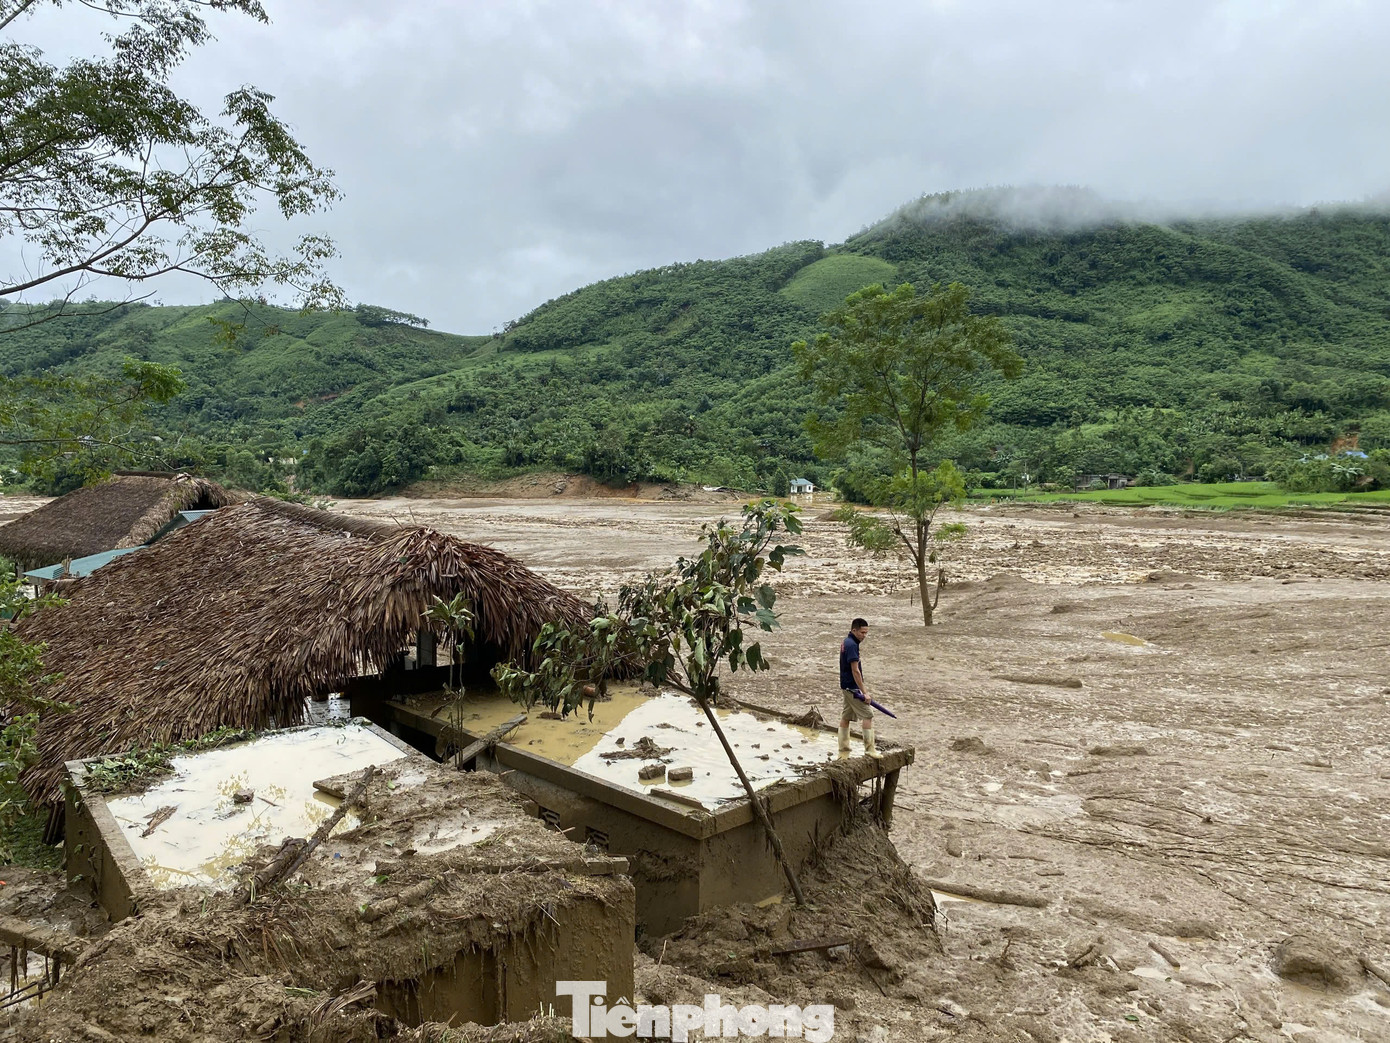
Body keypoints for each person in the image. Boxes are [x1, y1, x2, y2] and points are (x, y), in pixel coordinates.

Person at [839, 617, 879, 758]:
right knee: (868, 715)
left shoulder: (847, 641)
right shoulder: (851, 645)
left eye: (866, 633)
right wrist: (864, 692)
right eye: (862, 632)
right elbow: (855, 671)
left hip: (845, 685)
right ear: (854, 630)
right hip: (852, 688)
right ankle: (869, 750)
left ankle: (843, 748)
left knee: (846, 716)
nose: (864, 636)